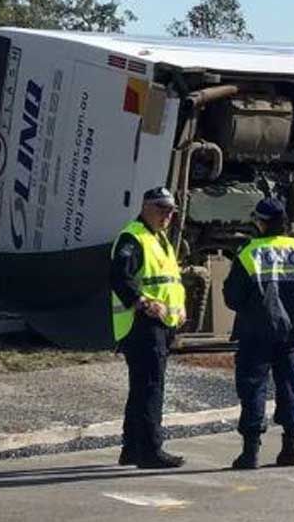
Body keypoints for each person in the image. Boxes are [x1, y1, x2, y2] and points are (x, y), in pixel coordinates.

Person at [223, 197, 294, 470]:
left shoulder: (249, 252)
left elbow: (232, 296)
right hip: (291, 334)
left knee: (253, 388)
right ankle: (291, 448)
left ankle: (250, 453)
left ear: (262, 223)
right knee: (290, 387)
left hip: (256, 332)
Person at [110, 186, 188, 469]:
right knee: (151, 388)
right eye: (161, 208)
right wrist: (142, 302)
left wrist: (179, 308)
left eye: (170, 210)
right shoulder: (133, 236)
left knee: (142, 388)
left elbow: (170, 281)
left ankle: (131, 449)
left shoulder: (160, 238)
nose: (167, 215)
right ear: (145, 207)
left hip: (160, 323)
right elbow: (119, 277)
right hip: (141, 323)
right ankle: (150, 451)